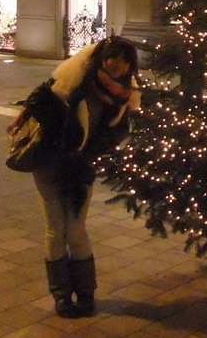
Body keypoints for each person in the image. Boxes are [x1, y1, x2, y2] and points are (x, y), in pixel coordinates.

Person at [10, 36, 140, 317]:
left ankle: (85, 292)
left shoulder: (120, 99)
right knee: (56, 229)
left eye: (125, 60)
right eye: (112, 59)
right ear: (100, 59)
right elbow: (39, 111)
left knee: (76, 229)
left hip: (80, 168)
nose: (118, 66)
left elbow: (112, 137)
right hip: (50, 164)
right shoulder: (70, 87)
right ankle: (61, 294)